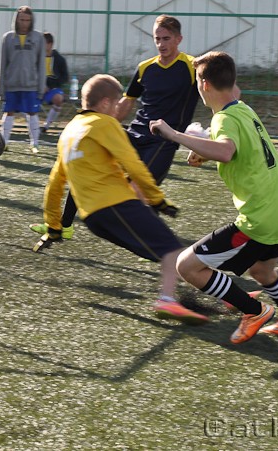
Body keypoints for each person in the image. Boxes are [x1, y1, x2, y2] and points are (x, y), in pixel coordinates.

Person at [149, 51, 278, 344]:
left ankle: (253, 310)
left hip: (258, 220)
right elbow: (235, 147)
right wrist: (204, 151)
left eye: (197, 82)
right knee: (262, 271)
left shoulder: (224, 119)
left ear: (204, 85)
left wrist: (174, 135)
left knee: (187, 266)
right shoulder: (243, 110)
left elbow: (225, 150)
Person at [34, 74, 208, 325]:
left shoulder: (69, 131)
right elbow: (133, 164)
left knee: (165, 254)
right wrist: (157, 199)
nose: (119, 110)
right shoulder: (105, 123)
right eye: (117, 104)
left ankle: (226, 297)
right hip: (116, 204)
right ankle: (167, 300)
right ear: (106, 103)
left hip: (92, 217)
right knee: (174, 251)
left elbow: (55, 184)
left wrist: (54, 226)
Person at [29, 14, 207, 239]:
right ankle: (65, 227)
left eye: (166, 38)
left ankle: (157, 244)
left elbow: (217, 93)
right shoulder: (145, 68)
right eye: (157, 38)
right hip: (134, 134)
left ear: (178, 39)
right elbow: (126, 103)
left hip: (163, 141)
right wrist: (103, 125)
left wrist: (203, 142)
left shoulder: (192, 67)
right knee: (85, 160)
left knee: (137, 194)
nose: (161, 44)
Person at [0, 6, 46, 153]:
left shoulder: (38, 38)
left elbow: (41, 65)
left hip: (30, 85)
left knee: (32, 113)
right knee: (9, 112)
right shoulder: (8, 38)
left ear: (31, 21)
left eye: (27, 20)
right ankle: (3, 142)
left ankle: (35, 143)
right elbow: (2, 64)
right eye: (22, 20)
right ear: (16, 20)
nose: (24, 23)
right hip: (11, 84)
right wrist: (0, 90)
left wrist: (41, 87)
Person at [41, 31, 69, 133]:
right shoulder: (36, 58)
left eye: (43, 43)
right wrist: (41, 85)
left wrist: (51, 86)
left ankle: (46, 126)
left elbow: (65, 77)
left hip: (53, 89)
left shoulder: (59, 59)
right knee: (25, 97)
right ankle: (32, 127)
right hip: (37, 88)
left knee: (58, 99)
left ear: (50, 44)